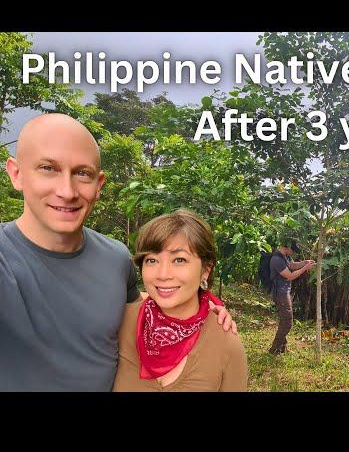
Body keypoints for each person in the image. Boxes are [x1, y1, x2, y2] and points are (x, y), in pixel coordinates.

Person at [0, 113, 236, 391]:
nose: (67, 191)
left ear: (98, 185)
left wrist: (205, 304)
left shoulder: (115, 258)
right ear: (16, 174)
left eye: (82, 173)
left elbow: (138, 305)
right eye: (48, 168)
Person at [113, 210, 247, 391]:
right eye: (152, 260)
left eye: (179, 260)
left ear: (206, 270)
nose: (163, 275)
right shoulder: (119, 322)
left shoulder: (226, 343)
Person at [269, 239, 315, 354]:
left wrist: (304, 262)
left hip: (284, 292)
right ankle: (274, 349)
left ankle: (282, 347)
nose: (293, 253)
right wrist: (305, 268)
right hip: (280, 293)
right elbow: (289, 276)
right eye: (293, 251)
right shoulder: (276, 259)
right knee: (288, 322)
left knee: (284, 321)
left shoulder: (285, 256)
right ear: (287, 248)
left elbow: (293, 265)